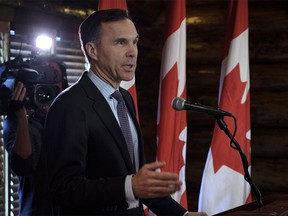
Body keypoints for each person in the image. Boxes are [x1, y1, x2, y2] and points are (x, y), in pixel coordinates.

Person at [44, 9, 207, 216]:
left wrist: (181, 215)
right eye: (121, 42)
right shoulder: (69, 105)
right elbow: (64, 190)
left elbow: (138, 181)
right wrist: (129, 186)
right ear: (92, 50)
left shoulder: (124, 98)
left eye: (135, 42)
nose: (133, 52)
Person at [3, 56, 68, 216]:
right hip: (36, 209)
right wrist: (21, 118)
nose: (49, 84)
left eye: (54, 77)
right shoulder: (18, 119)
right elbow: (22, 166)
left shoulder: (70, 116)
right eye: (43, 77)